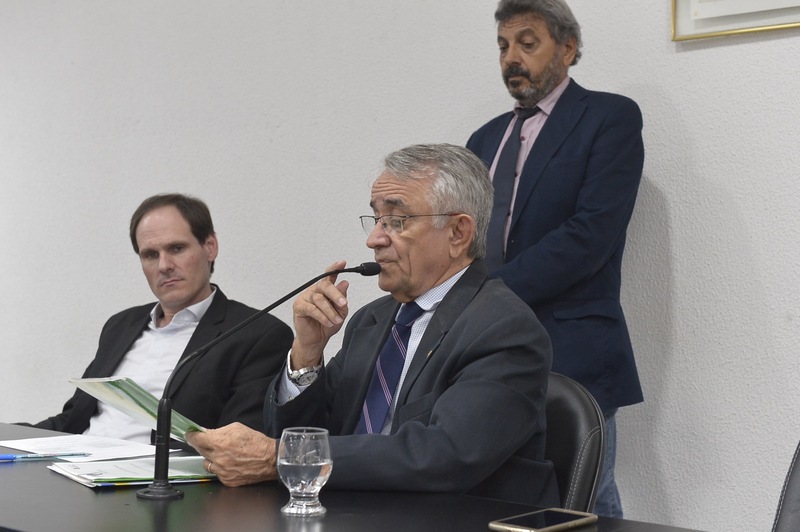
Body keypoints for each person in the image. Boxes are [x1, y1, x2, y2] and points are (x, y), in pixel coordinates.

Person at [187, 144, 559, 507]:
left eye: (397, 221)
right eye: (377, 220)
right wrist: (306, 355)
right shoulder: (373, 320)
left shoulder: (503, 328)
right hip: (351, 514)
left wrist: (279, 457)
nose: (374, 240)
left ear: (458, 233)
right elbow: (308, 434)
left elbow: (446, 455)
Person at [465, 0, 645, 517]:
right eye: (503, 46)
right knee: (501, 495)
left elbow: (591, 235)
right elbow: (463, 238)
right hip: (488, 348)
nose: (511, 58)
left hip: (572, 343)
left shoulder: (608, 118)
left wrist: (488, 296)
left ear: (567, 48)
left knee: (585, 499)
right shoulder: (483, 139)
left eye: (527, 43)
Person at [29, 193, 293, 443]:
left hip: (156, 473)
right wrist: (12, 436)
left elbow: (237, 446)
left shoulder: (256, 334)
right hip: (76, 463)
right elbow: (72, 419)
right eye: (150, 255)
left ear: (210, 247)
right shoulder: (120, 325)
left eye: (176, 248)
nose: (164, 265)